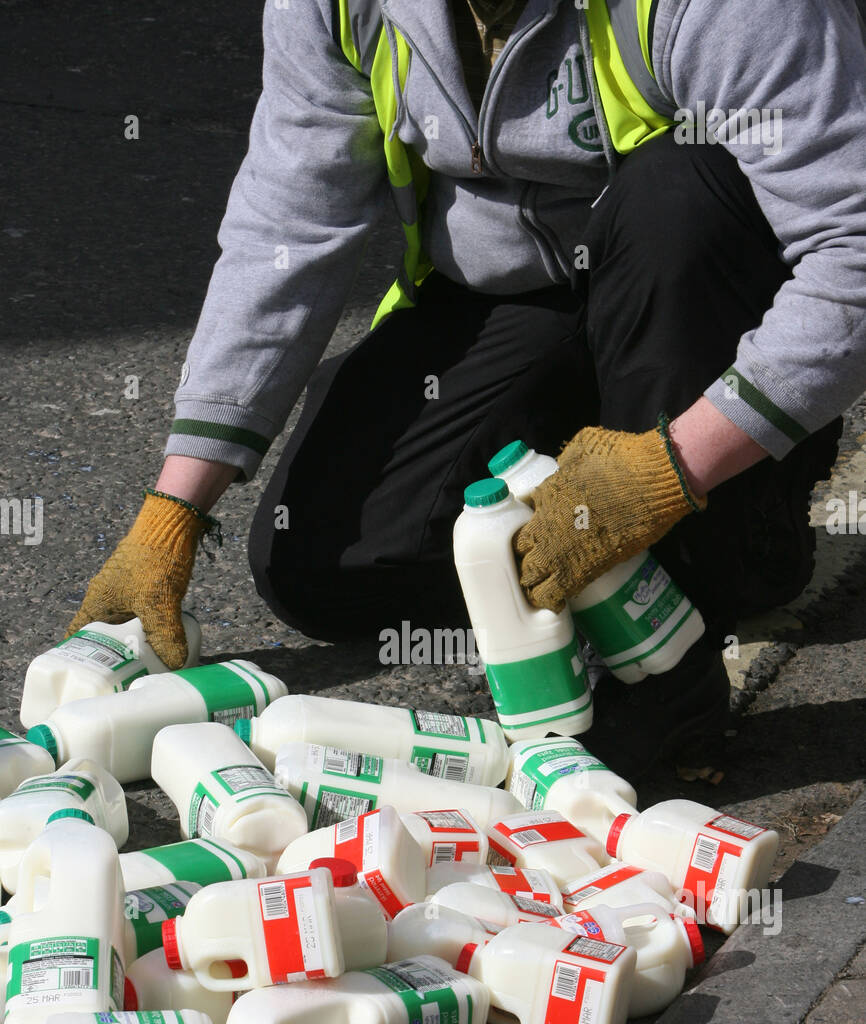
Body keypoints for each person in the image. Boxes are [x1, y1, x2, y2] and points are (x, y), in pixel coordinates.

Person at [68, 0, 866, 776]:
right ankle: (575, 517)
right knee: (321, 567)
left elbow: (854, 248)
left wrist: (671, 468)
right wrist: (175, 510)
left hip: (692, 293)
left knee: (676, 196)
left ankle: (698, 603)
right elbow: (287, 228)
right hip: (517, 302)